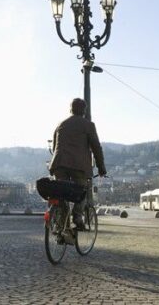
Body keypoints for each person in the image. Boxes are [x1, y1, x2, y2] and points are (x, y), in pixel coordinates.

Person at [49, 98, 107, 229]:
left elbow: (54, 148)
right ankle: (77, 217)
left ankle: (62, 226)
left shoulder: (60, 124)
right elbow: (96, 148)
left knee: (61, 192)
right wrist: (101, 167)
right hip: (78, 166)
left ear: (71, 109)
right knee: (82, 191)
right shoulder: (88, 125)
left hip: (59, 164)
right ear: (84, 111)